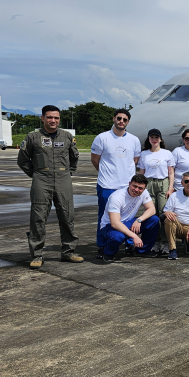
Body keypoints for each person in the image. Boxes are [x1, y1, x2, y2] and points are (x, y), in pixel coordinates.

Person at [17, 105, 82, 268]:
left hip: (63, 179)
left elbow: (74, 158)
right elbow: (23, 160)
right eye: (49, 117)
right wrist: (36, 174)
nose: (53, 120)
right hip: (41, 179)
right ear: (43, 118)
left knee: (67, 216)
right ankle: (37, 255)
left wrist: (68, 173)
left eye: (56, 118)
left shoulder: (67, 137)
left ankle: (68, 252)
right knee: (38, 218)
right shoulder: (33, 137)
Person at [90, 108, 141, 251]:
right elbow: (95, 160)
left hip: (127, 186)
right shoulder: (102, 137)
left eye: (124, 120)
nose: (121, 121)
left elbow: (134, 161)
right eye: (119, 118)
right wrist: (107, 173)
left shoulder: (134, 140)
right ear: (113, 119)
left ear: (128, 122)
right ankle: (102, 244)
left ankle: (129, 243)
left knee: (128, 216)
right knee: (104, 218)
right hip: (107, 185)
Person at [97, 174, 160, 262]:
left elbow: (152, 210)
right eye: (134, 186)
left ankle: (142, 250)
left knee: (154, 220)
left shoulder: (144, 193)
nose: (136, 190)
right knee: (118, 236)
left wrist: (139, 220)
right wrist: (134, 236)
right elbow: (115, 223)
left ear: (144, 189)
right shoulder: (117, 197)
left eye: (140, 188)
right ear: (129, 184)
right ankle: (108, 252)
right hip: (109, 226)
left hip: (128, 222)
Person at [138, 128, 175, 254]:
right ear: (148, 139)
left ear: (160, 139)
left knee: (163, 213)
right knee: (151, 214)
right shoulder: (144, 154)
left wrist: (170, 188)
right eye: (152, 137)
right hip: (149, 183)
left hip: (162, 183)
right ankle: (155, 241)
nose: (154, 140)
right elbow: (141, 172)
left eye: (156, 137)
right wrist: (141, 188)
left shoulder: (167, 153)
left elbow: (171, 172)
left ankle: (165, 242)